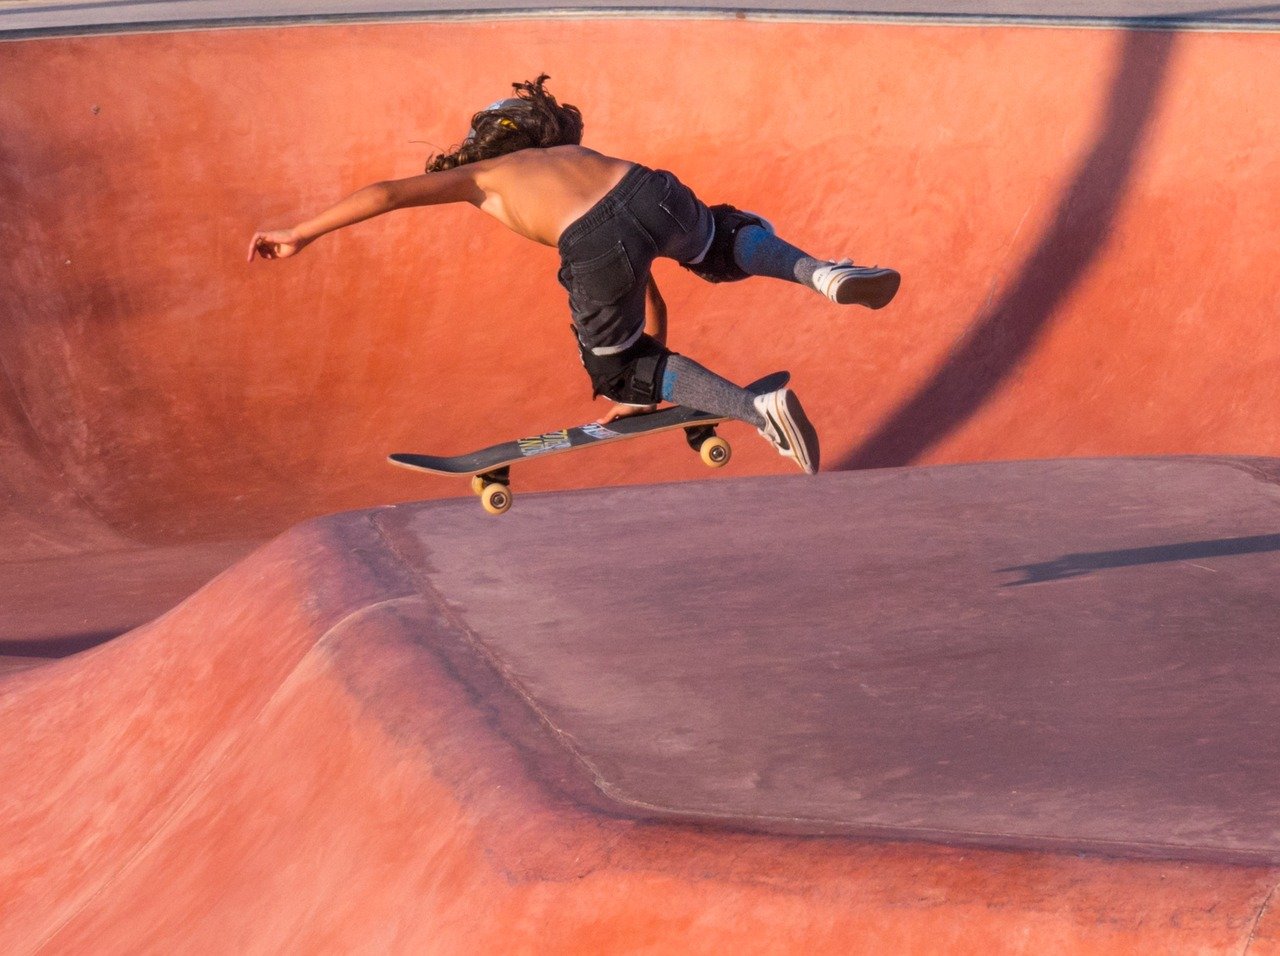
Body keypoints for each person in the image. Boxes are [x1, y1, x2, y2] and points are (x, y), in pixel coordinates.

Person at [248, 75, 899, 474]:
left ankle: (761, 413)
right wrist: (649, 379)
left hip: (595, 240)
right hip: (647, 187)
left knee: (616, 364)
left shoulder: (482, 177)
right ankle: (821, 274)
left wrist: (301, 232)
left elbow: (388, 191)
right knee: (725, 239)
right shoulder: (571, 152)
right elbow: (646, 282)